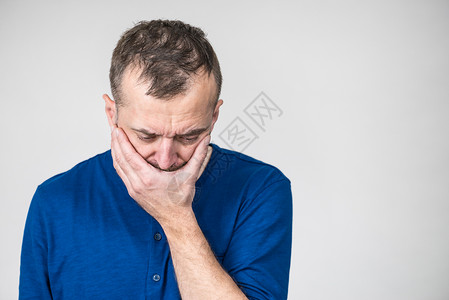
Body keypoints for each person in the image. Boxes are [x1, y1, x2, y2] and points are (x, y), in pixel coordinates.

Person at [19, 20, 292, 299]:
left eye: (189, 136)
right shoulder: (55, 201)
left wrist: (175, 215)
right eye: (146, 136)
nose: (165, 160)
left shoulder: (259, 188)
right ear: (112, 113)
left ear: (214, 117)